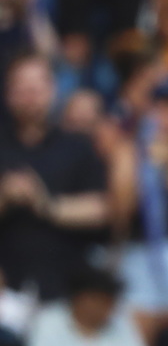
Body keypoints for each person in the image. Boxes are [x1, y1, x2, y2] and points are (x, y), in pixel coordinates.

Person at [0, 53, 110, 300]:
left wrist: (46, 204)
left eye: (37, 88)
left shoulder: (78, 145)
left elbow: (101, 209)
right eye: (21, 88)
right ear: (8, 93)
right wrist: (4, 198)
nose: (30, 96)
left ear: (53, 90)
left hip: (65, 288)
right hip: (5, 288)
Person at [27, 267, 153, 346]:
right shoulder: (48, 322)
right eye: (103, 301)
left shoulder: (121, 324)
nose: (109, 308)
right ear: (81, 298)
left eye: (111, 302)